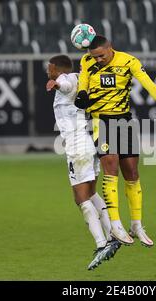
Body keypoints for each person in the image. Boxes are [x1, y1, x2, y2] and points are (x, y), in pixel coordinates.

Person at [75, 35, 156, 247]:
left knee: (132, 174)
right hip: (101, 121)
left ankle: (136, 224)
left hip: (124, 120)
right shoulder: (86, 61)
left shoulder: (128, 61)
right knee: (111, 167)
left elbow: (150, 85)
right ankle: (115, 224)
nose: (98, 60)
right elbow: (83, 83)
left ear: (110, 48)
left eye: (101, 55)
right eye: (94, 56)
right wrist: (82, 94)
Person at [46, 55, 121, 270]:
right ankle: (114, 233)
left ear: (57, 70)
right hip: (89, 142)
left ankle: (102, 243)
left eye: (49, 69)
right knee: (90, 193)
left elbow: (66, 84)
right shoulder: (83, 77)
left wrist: (57, 82)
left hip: (77, 146)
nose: (47, 72)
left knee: (80, 198)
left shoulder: (67, 79)